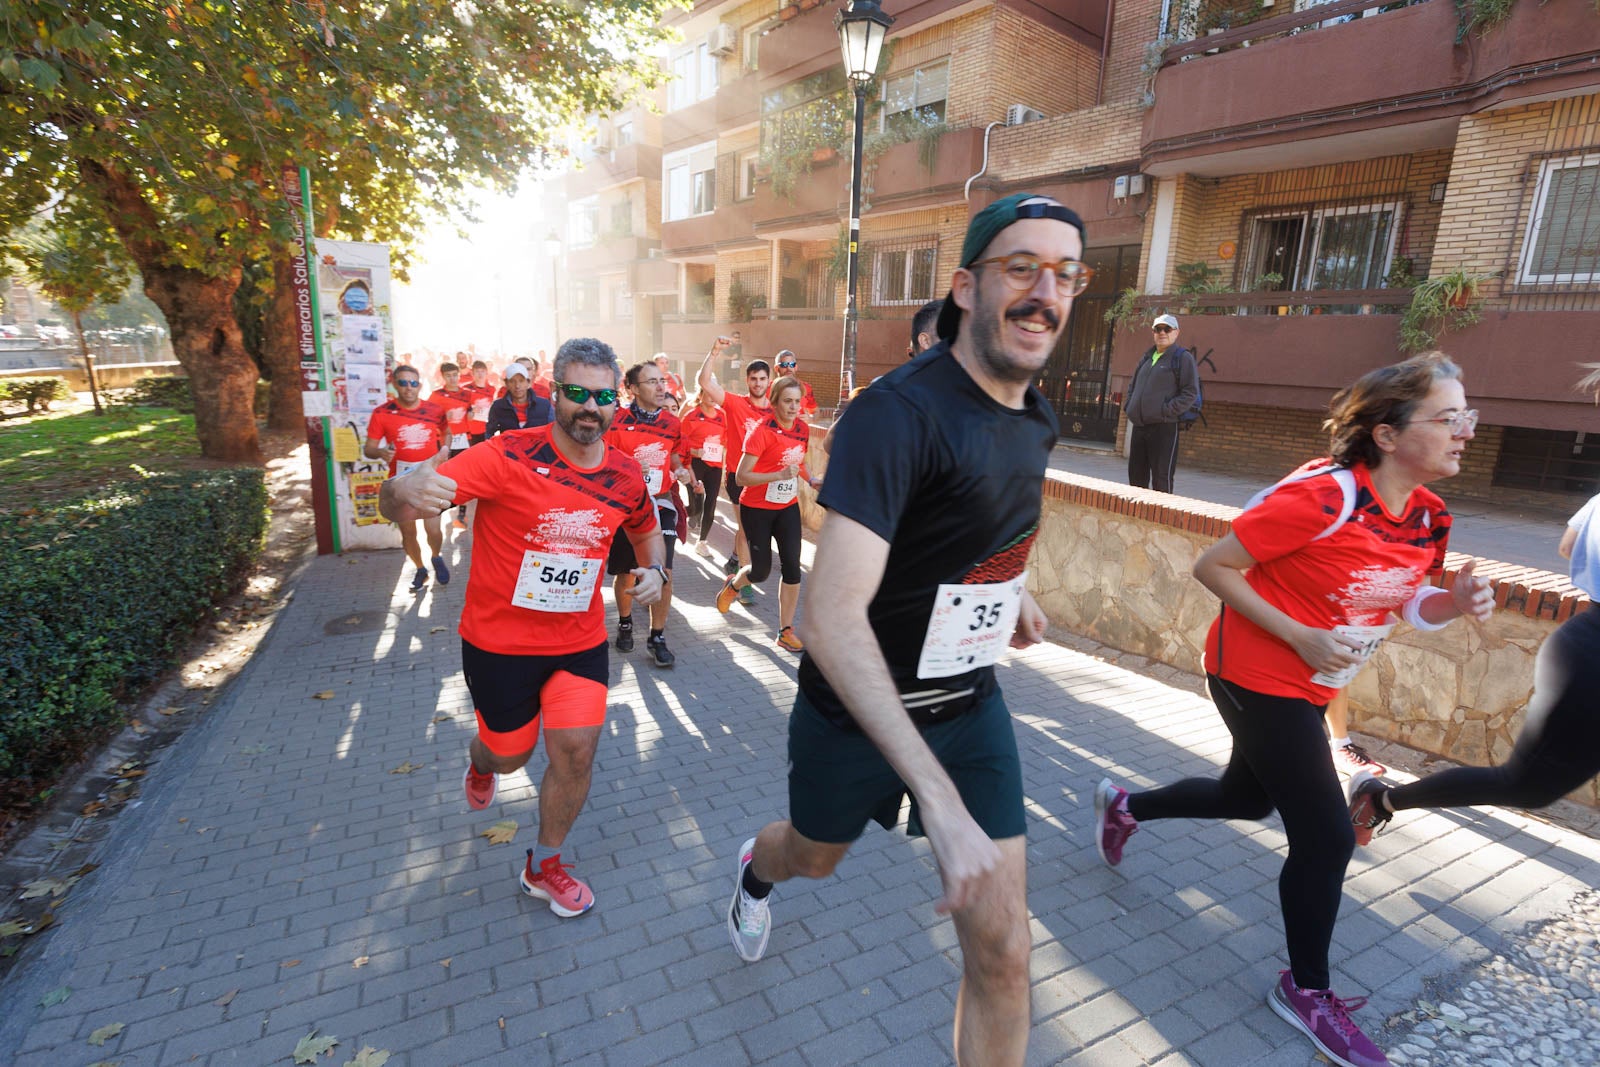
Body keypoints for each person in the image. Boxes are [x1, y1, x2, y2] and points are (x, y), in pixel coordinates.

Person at [725, 193, 1088, 1067]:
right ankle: (754, 867)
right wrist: (936, 798)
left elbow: (985, 528)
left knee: (1005, 957)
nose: (1046, 291)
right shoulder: (897, 415)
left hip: (967, 706)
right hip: (855, 711)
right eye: (1021, 268)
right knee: (812, 857)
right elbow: (827, 614)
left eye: (1066, 274)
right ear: (967, 286)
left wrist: (1014, 589)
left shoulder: (1036, 416)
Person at [1095, 352, 1494, 1067]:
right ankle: (1304, 989)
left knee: (1241, 800)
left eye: (1469, 415)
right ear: (1388, 433)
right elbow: (1212, 564)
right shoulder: (1324, 495)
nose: (1465, 430)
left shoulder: (1430, 516)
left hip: (1309, 685)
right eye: (1448, 416)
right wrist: (1300, 633)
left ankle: (1125, 806)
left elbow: (1402, 596)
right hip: (1252, 673)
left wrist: (1453, 604)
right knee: (1326, 836)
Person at [379, 337, 666, 918]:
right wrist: (400, 490)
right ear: (554, 393)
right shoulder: (505, 454)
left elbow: (645, 527)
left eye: (604, 395)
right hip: (498, 644)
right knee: (510, 755)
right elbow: (399, 505)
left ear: (619, 399)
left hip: (578, 642)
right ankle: (483, 762)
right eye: (578, 393)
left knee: (577, 751)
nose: (592, 406)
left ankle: (545, 864)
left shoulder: (625, 474)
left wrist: (655, 566)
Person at [1349, 482, 1600, 842]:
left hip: (1584, 638)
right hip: (1593, 652)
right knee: (1528, 787)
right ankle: (1380, 799)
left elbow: (1569, 547)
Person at [715, 376, 819, 652]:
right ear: (774, 402)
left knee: (792, 568)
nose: (794, 406)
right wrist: (778, 475)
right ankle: (734, 584)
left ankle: (785, 630)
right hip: (757, 509)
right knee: (760, 572)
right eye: (787, 401)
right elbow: (742, 476)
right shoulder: (761, 431)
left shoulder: (802, 429)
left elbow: (799, 462)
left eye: (798, 401)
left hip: (786, 507)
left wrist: (811, 480)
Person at [604, 361, 692, 668]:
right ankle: (626, 621)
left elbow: (676, 456)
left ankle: (657, 637)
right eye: (652, 382)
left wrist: (680, 470)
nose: (660, 387)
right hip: (625, 509)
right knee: (626, 571)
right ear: (632, 389)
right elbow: (600, 463)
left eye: (662, 381)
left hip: (661, 503)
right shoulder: (615, 421)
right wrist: (626, 467)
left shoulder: (671, 423)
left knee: (664, 571)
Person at [364, 363, 452, 591]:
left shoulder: (434, 410)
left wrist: (445, 451)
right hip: (401, 483)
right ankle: (420, 568)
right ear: (395, 385)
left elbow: (447, 432)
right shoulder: (382, 413)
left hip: (429, 479)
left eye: (413, 383)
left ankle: (436, 555)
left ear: (419, 385)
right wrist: (381, 452)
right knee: (408, 532)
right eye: (403, 383)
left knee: (433, 529)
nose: (408, 388)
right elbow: (369, 449)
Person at [697, 342, 771, 606]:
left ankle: (741, 569)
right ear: (747, 380)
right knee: (744, 529)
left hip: (766, 480)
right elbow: (704, 381)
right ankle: (745, 582)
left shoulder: (774, 411)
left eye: (763, 378)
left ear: (769, 381)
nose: (758, 383)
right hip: (739, 477)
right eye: (754, 378)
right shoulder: (735, 404)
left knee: (759, 530)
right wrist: (714, 352)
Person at [1123, 313, 1198, 494]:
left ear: (1176, 333)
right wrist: (1130, 407)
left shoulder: (1182, 357)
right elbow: (1133, 387)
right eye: (1158, 329)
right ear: (1153, 332)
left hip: (1164, 428)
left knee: (1161, 479)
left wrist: (1165, 411)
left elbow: (1190, 393)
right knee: (1136, 477)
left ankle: (1161, 520)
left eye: (1167, 329)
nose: (1162, 333)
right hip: (1140, 426)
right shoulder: (1147, 357)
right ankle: (1137, 518)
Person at [680, 391, 725, 557]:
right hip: (695, 463)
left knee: (711, 502)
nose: (713, 397)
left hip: (715, 465)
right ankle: (685, 513)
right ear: (701, 395)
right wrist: (694, 451)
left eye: (714, 393)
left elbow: (725, 440)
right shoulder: (692, 415)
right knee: (695, 506)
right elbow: (680, 443)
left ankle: (702, 541)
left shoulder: (722, 416)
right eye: (709, 393)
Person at [435, 361, 475, 531]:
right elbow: (432, 420)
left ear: (459, 375)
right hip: (445, 441)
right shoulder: (436, 396)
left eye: (455, 375)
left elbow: (471, 414)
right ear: (443, 377)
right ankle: (441, 506)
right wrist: (445, 416)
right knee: (444, 476)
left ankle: (461, 513)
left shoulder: (466, 394)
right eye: (448, 376)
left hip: (464, 440)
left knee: (462, 477)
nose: (452, 378)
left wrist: (471, 414)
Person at [486, 363, 553, 438]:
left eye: (521, 381)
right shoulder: (498, 407)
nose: (517, 386)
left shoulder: (545, 406)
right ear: (506, 384)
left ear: (528, 383)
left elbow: (555, 431)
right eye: (512, 381)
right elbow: (489, 433)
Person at [773, 350, 818, 417]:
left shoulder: (806, 388)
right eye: (784, 365)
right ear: (776, 368)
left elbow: (815, 412)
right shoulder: (767, 389)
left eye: (792, 364)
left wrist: (811, 419)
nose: (788, 368)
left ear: (795, 367)